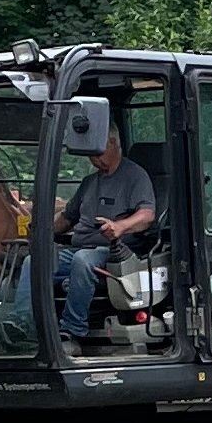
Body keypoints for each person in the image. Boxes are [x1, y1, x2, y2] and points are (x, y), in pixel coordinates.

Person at [53, 127, 159, 340]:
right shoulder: (90, 182)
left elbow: (147, 215)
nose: (94, 160)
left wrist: (120, 227)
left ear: (114, 143)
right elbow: (67, 217)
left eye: (98, 153)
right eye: (91, 155)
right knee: (34, 261)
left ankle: (72, 330)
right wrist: (39, 231)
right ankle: (23, 324)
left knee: (84, 260)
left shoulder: (135, 176)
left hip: (113, 253)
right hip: (77, 249)